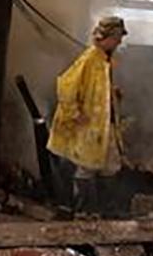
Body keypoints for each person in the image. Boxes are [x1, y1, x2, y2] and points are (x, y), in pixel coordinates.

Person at [47, 16, 126, 214]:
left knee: (111, 165)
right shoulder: (90, 58)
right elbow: (66, 86)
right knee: (87, 166)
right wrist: (74, 113)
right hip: (91, 125)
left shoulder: (104, 60)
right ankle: (85, 213)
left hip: (104, 126)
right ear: (106, 37)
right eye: (117, 37)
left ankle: (106, 212)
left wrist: (112, 92)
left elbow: (95, 88)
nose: (119, 42)